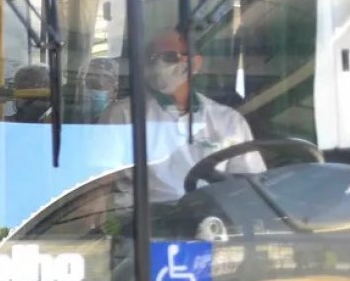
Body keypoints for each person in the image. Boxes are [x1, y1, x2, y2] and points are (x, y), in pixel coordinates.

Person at [101, 29, 262, 202]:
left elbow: (251, 186)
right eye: (153, 58)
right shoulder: (123, 115)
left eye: (169, 57)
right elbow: (102, 185)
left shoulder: (229, 121)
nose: (159, 65)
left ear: (195, 63)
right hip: (148, 216)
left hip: (213, 215)